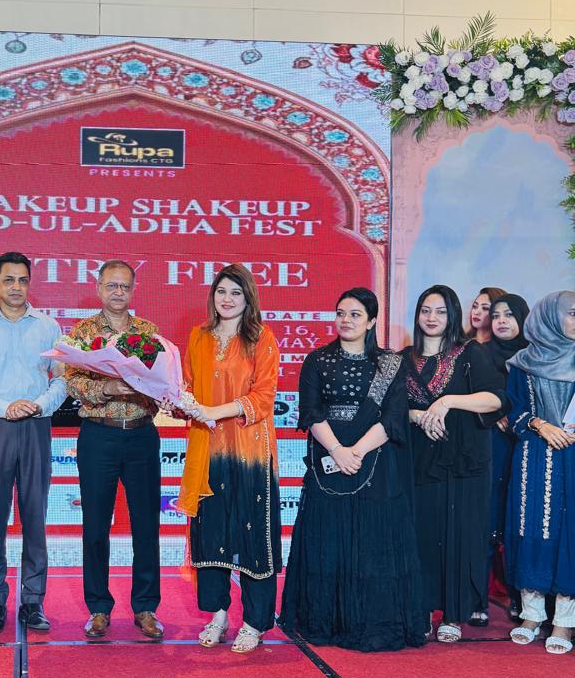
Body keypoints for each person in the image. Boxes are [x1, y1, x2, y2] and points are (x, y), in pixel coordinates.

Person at [279, 288, 425, 651]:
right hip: (328, 460)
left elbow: (393, 418)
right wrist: (337, 451)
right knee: (328, 538)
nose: (346, 320)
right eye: (341, 313)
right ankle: (327, 622)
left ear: (372, 321)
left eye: (355, 314)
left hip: (374, 461)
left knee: (373, 543)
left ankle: (371, 622)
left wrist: (355, 453)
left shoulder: (391, 364)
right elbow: (311, 412)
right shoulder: (317, 360)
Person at [0, 252, 66, 634]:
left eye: (22, 280)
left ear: (29, 283)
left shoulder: (49, 327)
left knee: (35, 517)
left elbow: (62, 380)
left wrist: (38, 405)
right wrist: (5, 407)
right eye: (9, 280)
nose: (16, 287)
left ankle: (33, 601)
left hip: (36, 426)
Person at [174, 264, 280, 654]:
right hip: (207, 450)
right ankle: (217, 615)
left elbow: (264, 397)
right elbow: (186, 387)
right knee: (211, 533)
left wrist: (212, 411)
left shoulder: (262, 338)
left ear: (248, 298)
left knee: (253, 536)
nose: (228, 299)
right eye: (222, 291)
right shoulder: (198, 337)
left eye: (236, 292)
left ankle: (254, 622)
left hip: (250, 452)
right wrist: (180, 402)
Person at [65, 260, 163, 640]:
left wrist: (152, 388)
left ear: (134, 289)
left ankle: (146, 607)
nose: (118, 292)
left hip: (141, 435)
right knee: (95, 526)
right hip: (98, 436)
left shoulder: (148, 332)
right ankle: (99, 608)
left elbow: (163, 379)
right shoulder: (83, 332)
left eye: (124, 286)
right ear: (99, 288)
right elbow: (72, 380)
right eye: (111, 286)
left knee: (146, 526)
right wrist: (106, 388)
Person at [404, 284, 506, 644]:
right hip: (419, 461)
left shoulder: (470, 353)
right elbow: (391, 408)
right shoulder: (403, 359)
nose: (432, 318)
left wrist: (447, 402)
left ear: (453, 316)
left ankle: (453, 614)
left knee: (460, 536)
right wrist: (418, 415)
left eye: (441, 311)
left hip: (465, 462)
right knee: (420, 535)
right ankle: (419, 610)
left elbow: (496, 399)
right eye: (426, 310)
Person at [504, 290, 575, 655]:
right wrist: (539, 424)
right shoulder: (523, 362)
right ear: (550, 317)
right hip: (535, 455)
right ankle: (531, 615)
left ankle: (565, 620)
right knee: (531, 526)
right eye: (572, 313)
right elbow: (512, 410)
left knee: (570, 533)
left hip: (573, 455)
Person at [475, 293, 530, 626]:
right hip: (491, 446)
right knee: (485, 519)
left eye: (509, 315)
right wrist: (493, 412)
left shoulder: (536, 356)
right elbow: (467, 396)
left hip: (527, 446)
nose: (501, 321)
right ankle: (477, 599)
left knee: (520, 522)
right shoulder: (479, 354)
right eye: (496, 315)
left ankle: (521, 598)